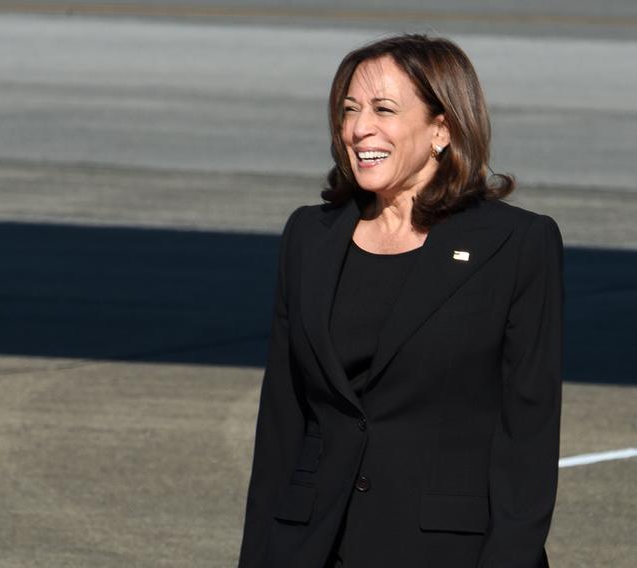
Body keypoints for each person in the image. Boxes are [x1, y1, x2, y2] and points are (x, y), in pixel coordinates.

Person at [237, 34, 563, 568]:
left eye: (383, 109)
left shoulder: (516, 245)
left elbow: (527, 437)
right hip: (314, 545)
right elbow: (281, 424)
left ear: (442, 128)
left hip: (446, 550)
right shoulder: (308, 237)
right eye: (349, 110)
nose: (358, 128)